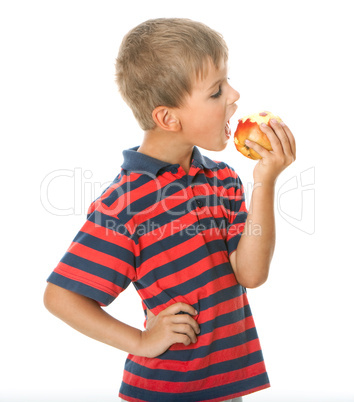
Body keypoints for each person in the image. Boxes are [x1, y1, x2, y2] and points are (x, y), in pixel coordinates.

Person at [44, 18, 296, 402]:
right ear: (167, 118)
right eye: (216, 92)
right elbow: (61, 297)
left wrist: (265, 181)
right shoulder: (126, 201)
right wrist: (143, 340)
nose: (235, 95)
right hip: (165, 390)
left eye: (227, 82)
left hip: (229, 387)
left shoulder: (223, 179)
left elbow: (251, 273)